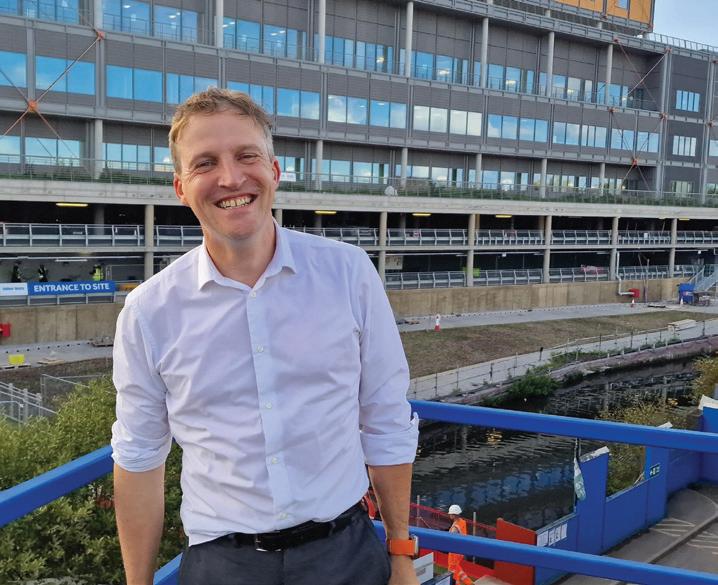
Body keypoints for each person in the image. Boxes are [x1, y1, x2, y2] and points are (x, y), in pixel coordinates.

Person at [111, 87, 420, 585]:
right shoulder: (149, 312)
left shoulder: (348, 274)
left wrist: (401, 554)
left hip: (347, 555)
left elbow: (385, 419)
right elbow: (139, 457)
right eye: (205, 163)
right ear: (180, 187)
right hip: (221, 565)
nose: (230, 178)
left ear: (274, 171)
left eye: (247, 156)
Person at [447, 505, 473, 585]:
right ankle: (469, 583)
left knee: (452, 570)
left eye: (450, 514)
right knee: (457, 568)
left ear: (454, 515)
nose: (449, 515)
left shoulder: (455, 528)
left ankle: (458, 583)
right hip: (461, 550)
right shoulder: (462, 522)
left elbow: (451, 539)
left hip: (454, 551)